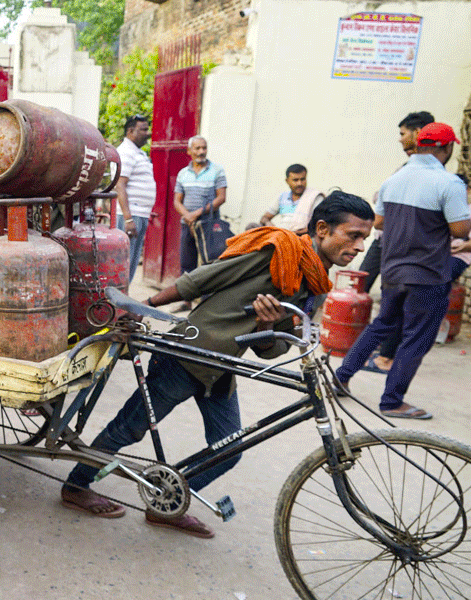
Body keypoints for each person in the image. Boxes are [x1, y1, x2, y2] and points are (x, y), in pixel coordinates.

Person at [60, 192, 375, 538]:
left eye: (365, 238)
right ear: (322, 229)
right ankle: (76, 486)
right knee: (129, 428)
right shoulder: (279, 251)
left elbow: (269, 351)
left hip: (222, 368)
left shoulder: (316, 283)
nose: (360, 246)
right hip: (187, 355)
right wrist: (141, 305)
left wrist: (266, 326)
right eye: (353, 235)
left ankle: (168, 501)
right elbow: (205, 278)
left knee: (229, 448)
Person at [335, 123, 471, 419]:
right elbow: (461, 229)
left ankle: (341, 377)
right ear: (446, 149)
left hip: (393, 268)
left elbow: (380, 221)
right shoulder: (449, 184)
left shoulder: (394, 180)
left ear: (419, 145)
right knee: (416, 337)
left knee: (381, 325)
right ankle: (392, 401)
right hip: (428, 274)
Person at [359, 111, 436, 374]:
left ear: (418, 134)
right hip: (389, 243)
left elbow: (382, 211)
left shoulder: (427, 172)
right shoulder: (412, 168)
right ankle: (365, 350)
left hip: (399, 246)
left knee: (395, 305)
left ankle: (385, 357)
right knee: (362, 288)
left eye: (403, 134)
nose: (401, 140)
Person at [174, 136, 227, 272]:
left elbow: (221, 198)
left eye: (204, 148)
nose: (201, 151)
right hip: (188, 225)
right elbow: (177, 201)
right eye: (197, 148)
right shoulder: (183, 174)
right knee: (186, 265)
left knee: (210, 264)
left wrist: (195, 214)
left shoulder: (217, 170)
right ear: (189, 151)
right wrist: (188, 217)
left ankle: (208, 294)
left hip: (209, 224)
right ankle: (186, 293)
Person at [115, 115, 157, 280]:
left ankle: (124, 299)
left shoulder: (137, 152)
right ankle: (119, 301)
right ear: (130, 131)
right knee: (125, 261)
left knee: (131, 263)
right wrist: (127, 219)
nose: (148, 133)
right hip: (131, 214)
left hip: (139, 213)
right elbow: (120, 184)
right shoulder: (126, 151)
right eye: (143, 130)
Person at [259, 164, 324, 234]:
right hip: (280, 234)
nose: (299, 183)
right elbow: (264, 218)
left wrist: (291, 233)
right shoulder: (282, 197)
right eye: (295, 180)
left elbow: (317, 225)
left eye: (302, 179)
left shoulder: (315, 197)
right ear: (287, 181)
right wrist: (268, 224)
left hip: (301, 236)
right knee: (252, 226)